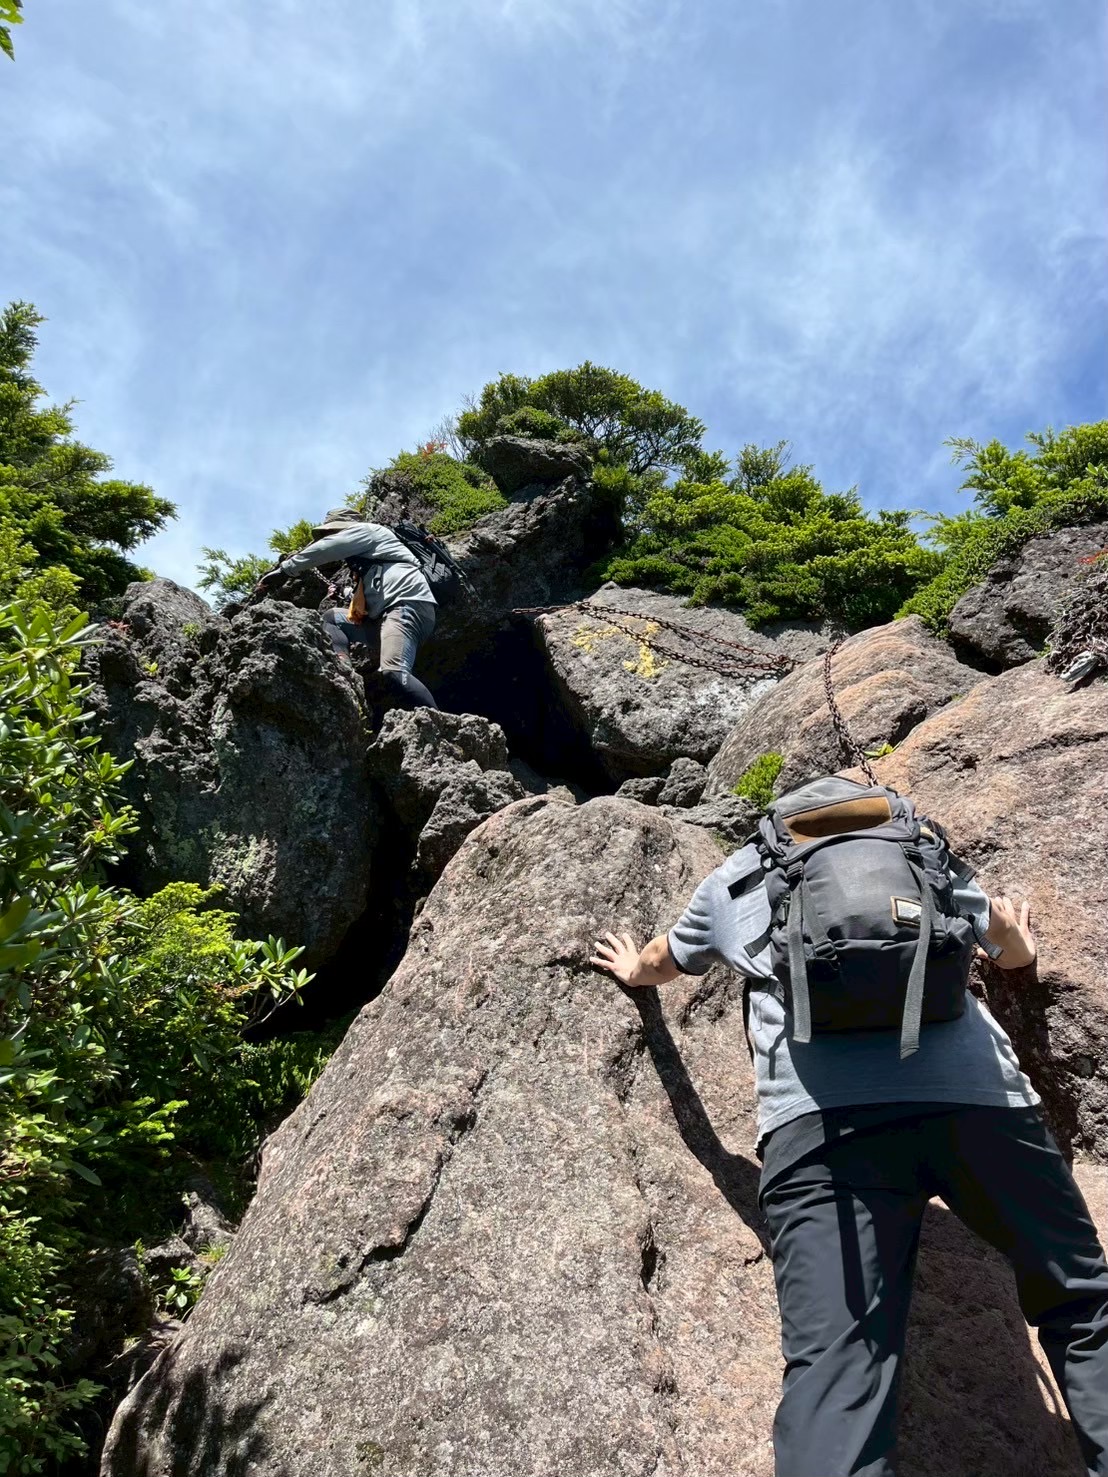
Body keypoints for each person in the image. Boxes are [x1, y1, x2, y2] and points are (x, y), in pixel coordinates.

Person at [590, 781, 1108, 1477]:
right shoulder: (923, 852)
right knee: (1081, 1301)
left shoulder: (741, 874)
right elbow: (1009, 955)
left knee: (836, 1372)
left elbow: (663, 961)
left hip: (822, 1133)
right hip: (979, 1108)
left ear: (779, 823)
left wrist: (632, 969)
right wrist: (1016, 939)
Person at [256, 510, 438, 709]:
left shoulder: (368, 531)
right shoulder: (368, 562)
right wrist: (346, 593)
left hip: (405, 606)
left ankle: (438, 727)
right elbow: (374, 596)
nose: (330, 536)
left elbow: (327, 548)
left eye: (333, 531)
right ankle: (344, 672)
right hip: (388, 614)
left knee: (394, 672)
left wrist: (285, 570)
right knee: (333, 618)